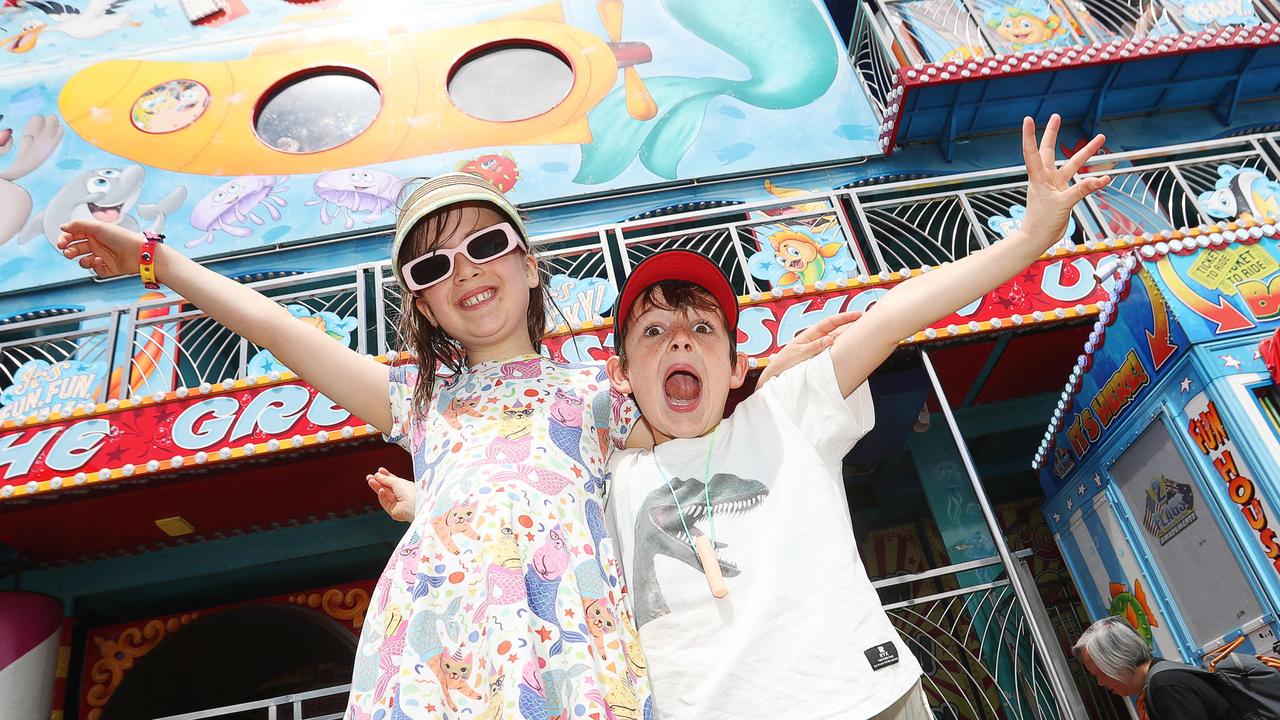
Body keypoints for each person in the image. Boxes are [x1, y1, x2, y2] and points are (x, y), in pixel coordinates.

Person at [56, 173, 654, 720]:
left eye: (484, 244)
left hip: (571, 633)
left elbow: (702, 452)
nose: (464, 271)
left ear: (528, 265)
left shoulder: (603, 388)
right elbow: (276, 329)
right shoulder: (422, 402)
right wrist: (155, 261)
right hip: (441, 644)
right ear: (425, 307)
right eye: (433, 268)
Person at [596, 114, 1109, 719]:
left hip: (868, 699)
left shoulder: (785, 413)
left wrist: (1028, 237)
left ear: (736, 367)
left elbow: (892, 315)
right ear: (621, 374)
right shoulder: (596, 481)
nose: (680, 341)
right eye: (653, 331)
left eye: (703, 328)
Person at [1074, 616, 1233, 720]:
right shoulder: (1162, 679)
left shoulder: (1165, 686)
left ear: (1116, 660)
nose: (1100, 683)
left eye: (1098, 673)